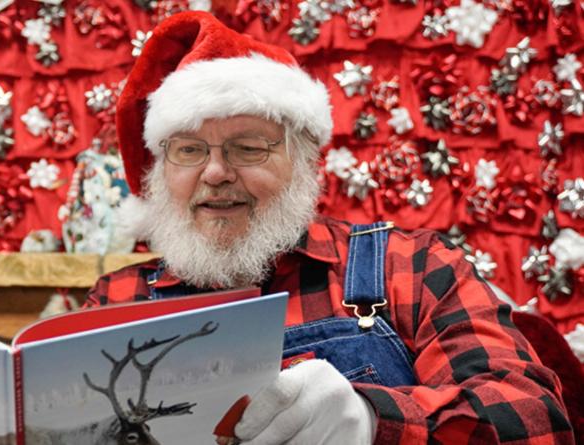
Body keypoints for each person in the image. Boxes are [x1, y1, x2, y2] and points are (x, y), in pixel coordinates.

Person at [85, 11, 572, 444]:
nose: (214, 173)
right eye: (189, 150)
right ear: (160, 171)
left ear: (303, 163)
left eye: (249, 147)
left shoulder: (409, 266)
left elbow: (536, 421)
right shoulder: (118, 298)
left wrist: (372, 422)